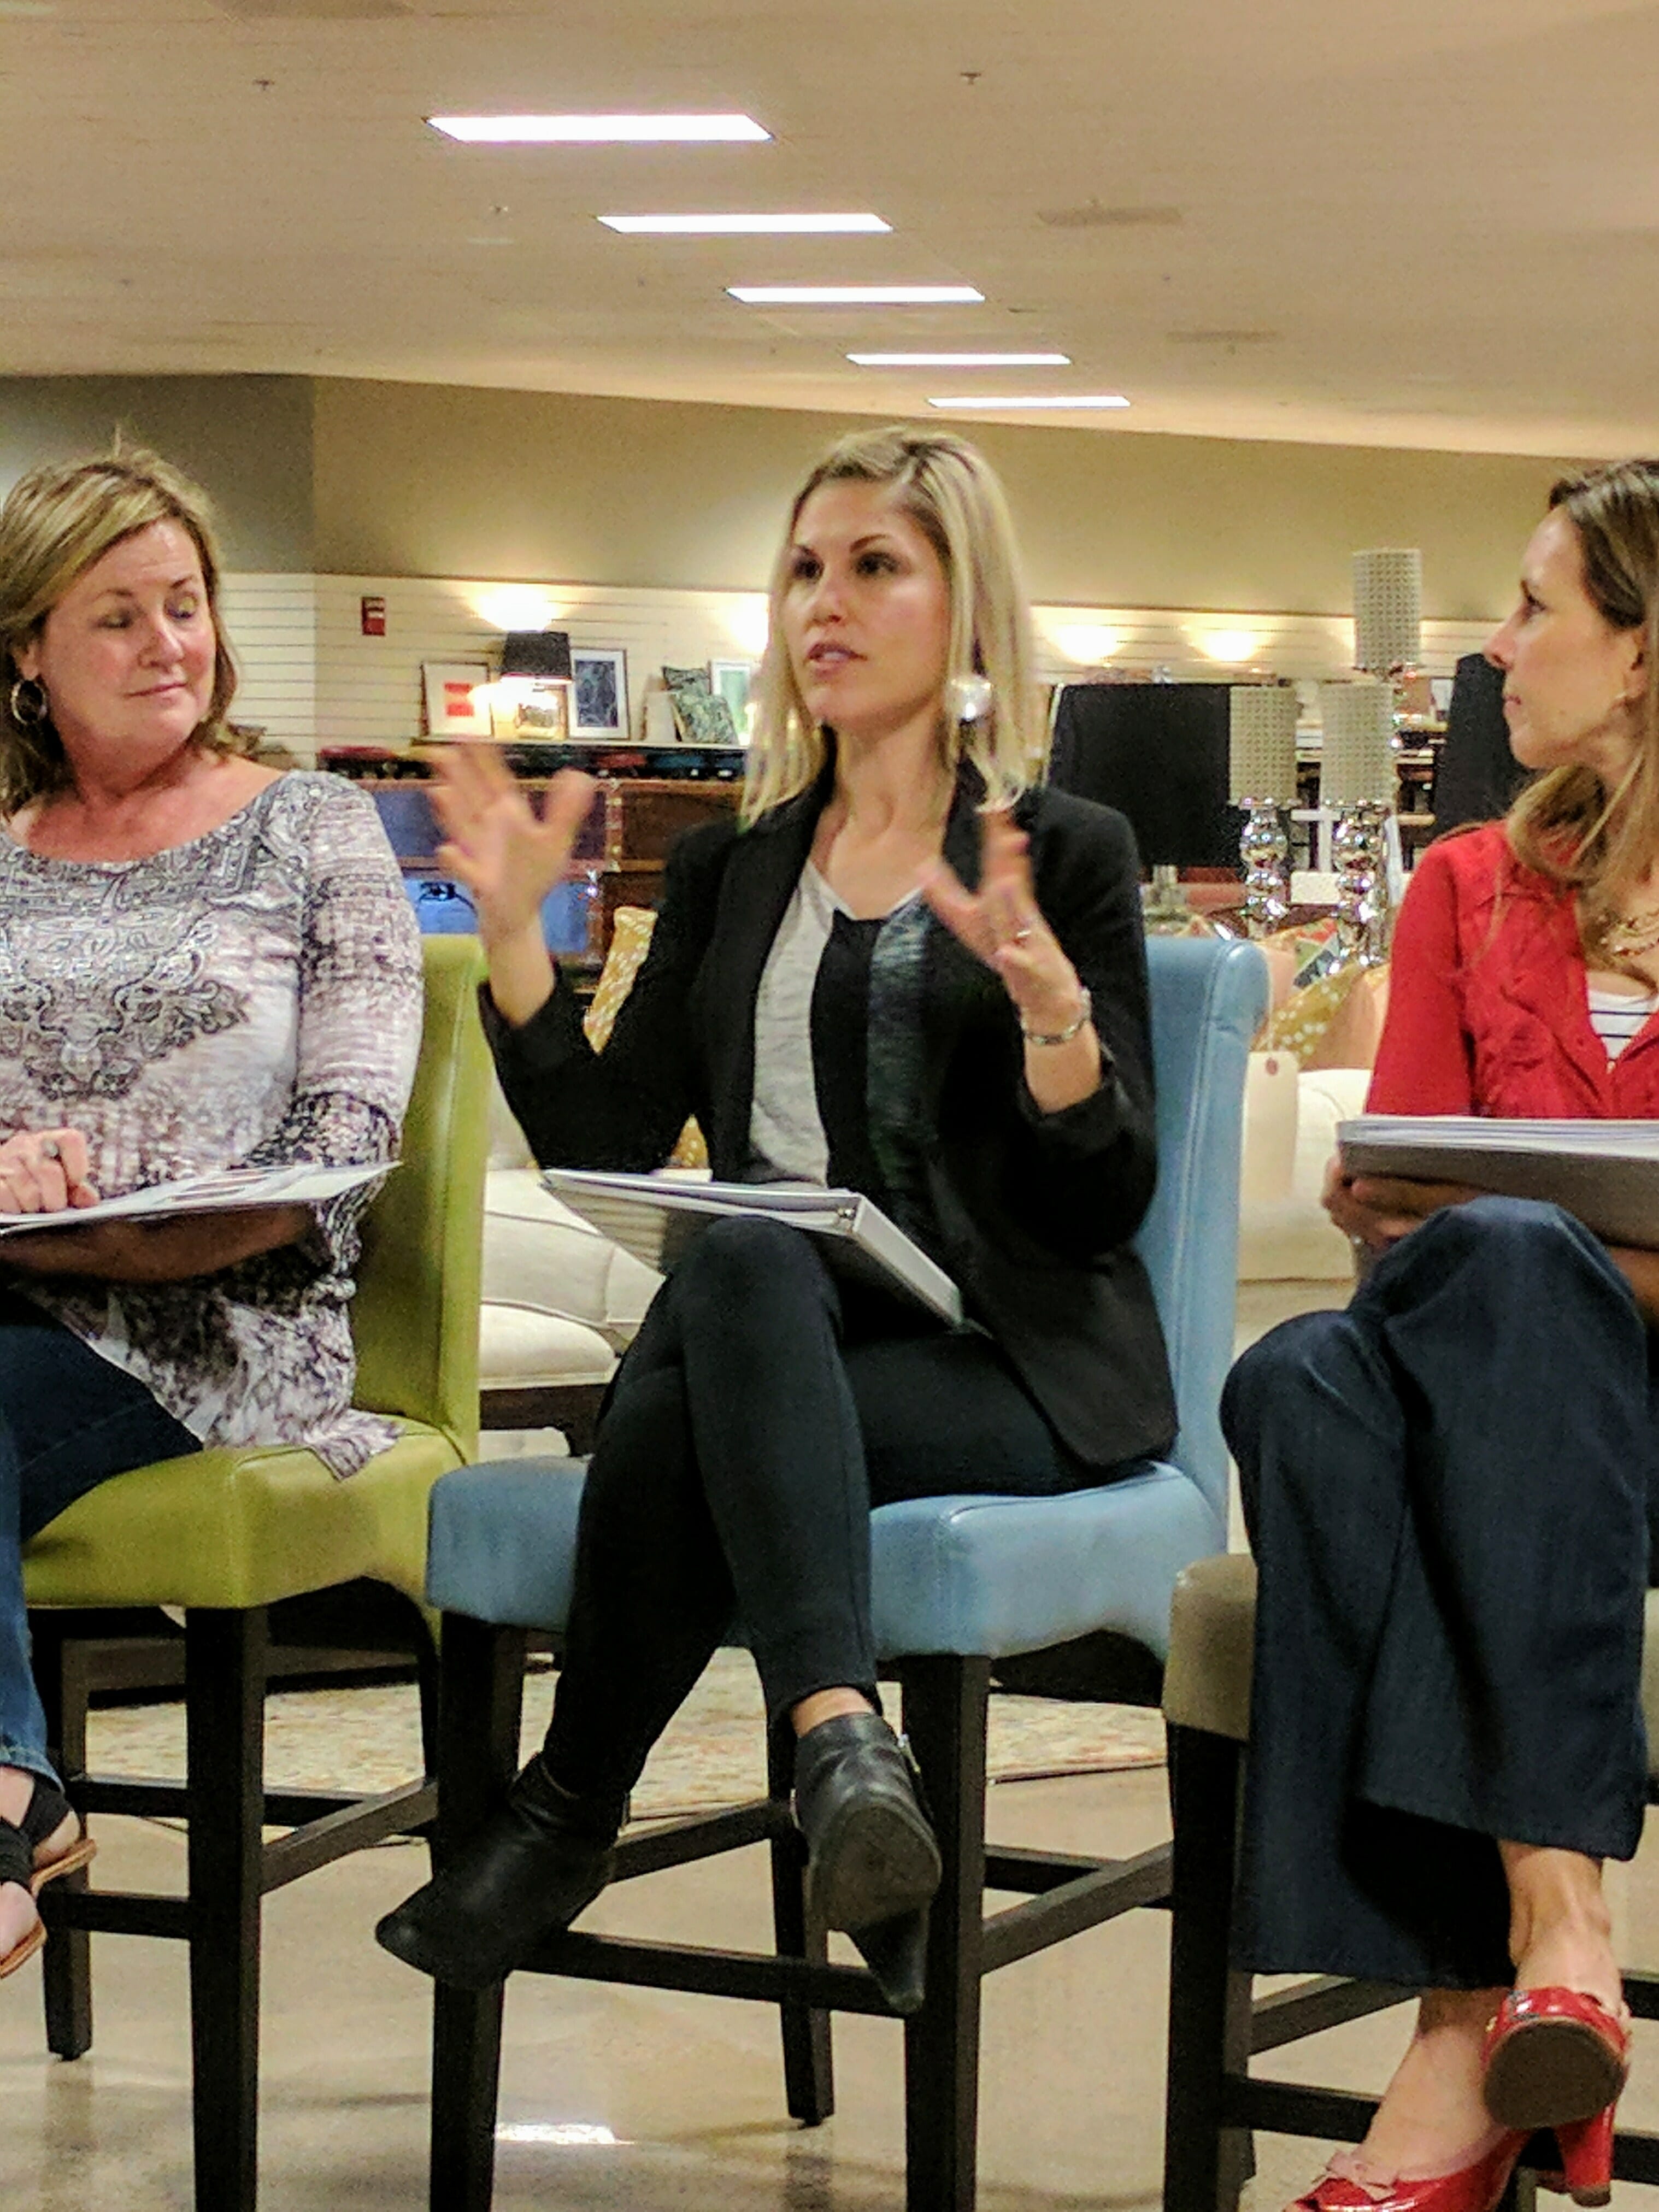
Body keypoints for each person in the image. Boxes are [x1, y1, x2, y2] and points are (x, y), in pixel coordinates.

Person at [375, 424, 1172, 2011]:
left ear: (964, 608)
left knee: (684, 1402)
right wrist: (519, 939)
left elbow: (1101, 1202)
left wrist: (1055, 1022)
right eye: (805, 569)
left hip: (1003, 1361)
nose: (826, 603)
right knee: (743, 1255)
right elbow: (605, 1135)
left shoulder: (1062, 852)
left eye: (875, 567)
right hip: (777, 1333)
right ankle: (843, 1755)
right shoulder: (735, 868)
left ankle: (570, 1809)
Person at [1225, 457, 1659, 2212]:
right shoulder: (1465, 887)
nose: (1493, 648)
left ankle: (1457, 2033)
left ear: (1640, 651)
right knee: (1300, 1371)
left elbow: (1472, 1240)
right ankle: (1546, 1941)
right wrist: (1450, 1232)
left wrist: (1544, 1258)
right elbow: (1402, 1222)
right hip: (1490, 1407)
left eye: (1533, 607)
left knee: (1479, 1279)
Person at [0, 447, 422, 1982]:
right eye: (117, 616)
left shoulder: (314, 829)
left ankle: (7, 1795)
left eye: (183, 605)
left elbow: (349, 1138)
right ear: (29, 650)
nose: (168, 644)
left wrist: (106, 1207)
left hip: (221, 1320)